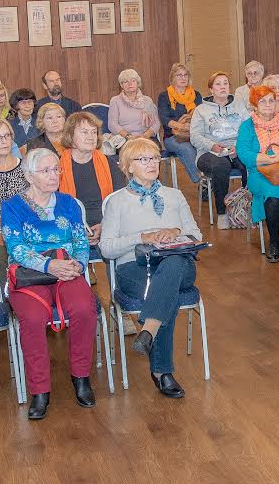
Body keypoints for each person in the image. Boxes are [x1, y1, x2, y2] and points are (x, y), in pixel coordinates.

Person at [99, 138, 205, 400]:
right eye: (143, 159)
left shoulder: (174, 195)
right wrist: (142, 237)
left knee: (171, 267)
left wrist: (176, 231)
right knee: (163, 289)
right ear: (128, 166)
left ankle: (148, 332)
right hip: (134, 268)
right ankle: (162, 371)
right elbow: (107, 248)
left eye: (154, 158)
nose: (151, 164)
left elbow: (195, 235)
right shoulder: (117, 202)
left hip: (179, 265)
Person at [1, 148, 97, 420]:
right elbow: (16, 247)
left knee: (83, 308)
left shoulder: (68, 203)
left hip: (67, 268)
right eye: (46, 171)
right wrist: (48, 265)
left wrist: (77, 264)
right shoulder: (12, 206)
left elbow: (80, 241)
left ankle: (81, 377)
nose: (54, 175)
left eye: (56, 169)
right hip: (31, 273)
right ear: (29, 175)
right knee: (32, 319)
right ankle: (40, 390)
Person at [237, 84, 279, 263]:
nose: (268, 104)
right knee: (273, 195)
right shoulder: (247, 126)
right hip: (259, 172)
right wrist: (270, 159)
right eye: (262, 101)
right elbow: (243, 153)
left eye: (271, 100)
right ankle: (274, 243)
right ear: (254, 104)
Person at [191, 71, 250, 225]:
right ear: (211, 89)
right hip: (209, 152)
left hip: (236, 148)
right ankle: (222, 214)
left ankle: (246, 208)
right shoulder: (201, 110)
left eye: (225, 83)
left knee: (250, 163)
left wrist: (239, 146)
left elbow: (248, 130)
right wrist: (212, 145)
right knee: (221, 166)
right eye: (218, 84)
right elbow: (195, 136)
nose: (223, 87)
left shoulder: (239, 105)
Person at [58, 111, 125, 242]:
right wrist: (77, 229)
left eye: (94, 132)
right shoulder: (56, 166)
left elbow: (119, 199)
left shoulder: (108, 163)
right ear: (70, 136)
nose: (91, 137)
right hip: (69, 227)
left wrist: (104, 226)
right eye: (84, 132)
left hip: (107, 223)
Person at [157, 63, 201, 184]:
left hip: (194, 134)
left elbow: (202, 116)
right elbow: (165, 119)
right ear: (173, 78)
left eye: (185, 75)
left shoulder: (195, 94)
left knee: (205, 147)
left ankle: (209, 179)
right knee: (187, 149)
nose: (183, 78)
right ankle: (203, 182)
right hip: (172, 136)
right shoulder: (164, 95)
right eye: (179, 75)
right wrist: (182, 126)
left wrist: (191, 127)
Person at [108, 69, 160, 142]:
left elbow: (156, 123)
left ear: (137, 83)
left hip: (146, 138)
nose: (130, 84)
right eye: (126, 81)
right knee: (135, 151)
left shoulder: (147, 101)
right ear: (121, 85)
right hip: (124, 139)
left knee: (148, 150)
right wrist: (128, 136)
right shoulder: (115, 101)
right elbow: (112, 125)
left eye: (133, 80)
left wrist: (145, 136)